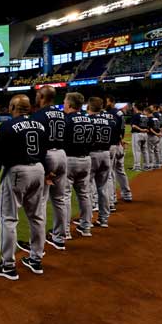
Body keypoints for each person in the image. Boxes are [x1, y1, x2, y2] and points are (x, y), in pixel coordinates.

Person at [0, 94, 48, 279]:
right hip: (38, 169)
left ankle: (8, 265)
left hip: (17, 172)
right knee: (37, 216)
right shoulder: (40, 125)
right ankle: (36, 259)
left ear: (13, 108)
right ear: (28, 108)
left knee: (8, 219)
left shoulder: (7, 126)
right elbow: (44, 151)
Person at [29, 85, 67, 250]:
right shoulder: (63, 115)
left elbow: (35, 143)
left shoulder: (38, 116)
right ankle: (59, 238)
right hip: (62, 154)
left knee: (41, 201)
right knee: (59, 198)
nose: (36, 97)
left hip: (47, 157)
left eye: (38, 95)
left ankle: (38, 245)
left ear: (42, 96)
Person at [62, 92, 94, 238]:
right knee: (84, 194)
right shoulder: (89, 119)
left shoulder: (66, 119)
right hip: (86, 158)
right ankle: (86, 227)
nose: (63, 104)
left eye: (64, 101)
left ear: (69, 104)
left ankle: (65, 232)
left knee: (65, 196)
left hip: (69, 159)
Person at [86, 97, 115, 228]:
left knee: (86, 189)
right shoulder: (110, 121)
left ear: (89, 106)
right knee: (103, 188)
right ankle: (104, 219)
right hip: (106, 154)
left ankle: (86, 221)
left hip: (92, 154)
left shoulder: (88, 120)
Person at [104, 96, 132, 203]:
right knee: (120, 170)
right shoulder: (119, 113)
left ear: (111, 102)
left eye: (107, 101)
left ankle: (113, 198)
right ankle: (127, 194)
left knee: (110, 173)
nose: (105, 103)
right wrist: (121, 139)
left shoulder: (106, 114)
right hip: (119, 144)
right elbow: (122, 129)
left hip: (111, 145)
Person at [130, 103, 150, 171]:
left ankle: (137, 167)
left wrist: (141, 129)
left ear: (136, 107)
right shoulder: (145, 116)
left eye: (134, 107)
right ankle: (146, 166)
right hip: (145, 135)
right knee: (145, 151)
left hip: (137, 134)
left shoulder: (135, 115)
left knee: (136, 151)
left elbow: (133, 126)